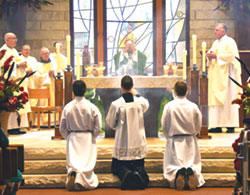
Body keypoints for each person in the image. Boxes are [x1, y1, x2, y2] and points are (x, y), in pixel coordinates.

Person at [106, 75, 149, 190]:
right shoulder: (140, 102)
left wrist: (118, 127)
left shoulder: (116, 104)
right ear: (132, 86)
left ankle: (127, 174)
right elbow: (146, 104)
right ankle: (137, 173)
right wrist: (137, 94)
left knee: (116, 168)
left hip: (122, 142)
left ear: (121, 86)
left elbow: (110, 123)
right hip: (138, 141)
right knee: (139, 165)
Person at [161, 81, 205, 190]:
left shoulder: (169, 106)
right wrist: (195, 133)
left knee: (173, 164)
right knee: (192, 162)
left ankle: (178, 173)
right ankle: (190, 172)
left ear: (175, 91)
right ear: (187, 92)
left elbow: (164, 124)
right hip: (190, 139)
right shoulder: (193, 106)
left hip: (174, 139)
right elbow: (199, 123)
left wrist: (168, 136)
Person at [59, 80, 101, 191]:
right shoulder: (92, 107)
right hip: (87, 136)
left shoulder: (68, 107)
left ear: (73, 92)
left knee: (74, 161)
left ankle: (74, 175)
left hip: (73, 136)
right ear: (85, 91)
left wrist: (68, 137)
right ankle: (83, 178)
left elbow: (62, 127)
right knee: (87, 163)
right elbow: (98, 126)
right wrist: (93, 136)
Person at [206, 23, 242, 133]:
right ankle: (216, 125)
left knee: (228, 98)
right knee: (215, 98)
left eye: (217, 30)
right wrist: (209, 56)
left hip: (227, 76)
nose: (214, 32)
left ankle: (230, 125)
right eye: (215, 30)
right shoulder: (215, 43)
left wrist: (216, 56)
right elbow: (212, 55)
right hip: (216, 76)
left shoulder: (230, 41)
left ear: (224, 31)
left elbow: (232, 56)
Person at [0, 32, 30, 135]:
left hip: (17, 82)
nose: (15, 40)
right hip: (10, 83)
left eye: (15, 38)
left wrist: (23, 66)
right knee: (10, 103)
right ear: (7, 40)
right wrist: (17, 66)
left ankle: (16, 126)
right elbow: (3, 66)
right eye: (13, 38)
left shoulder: (14, 51)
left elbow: (18, 62)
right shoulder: (3, 51)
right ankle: (10, 127)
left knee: (17, 103)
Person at [36, 47, 57, 126]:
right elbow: (36, 77)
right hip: (43, 88)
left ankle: (53, 121)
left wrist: (54, 74)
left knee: (53, 102)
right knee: (43, 103)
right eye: (45, 53)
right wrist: (46, 75)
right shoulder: (38, 65)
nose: (47, 55)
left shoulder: (53, 64)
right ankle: (43, 123)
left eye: (48, 53)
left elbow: (60, 74)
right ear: (41, 55)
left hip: (53, 87)